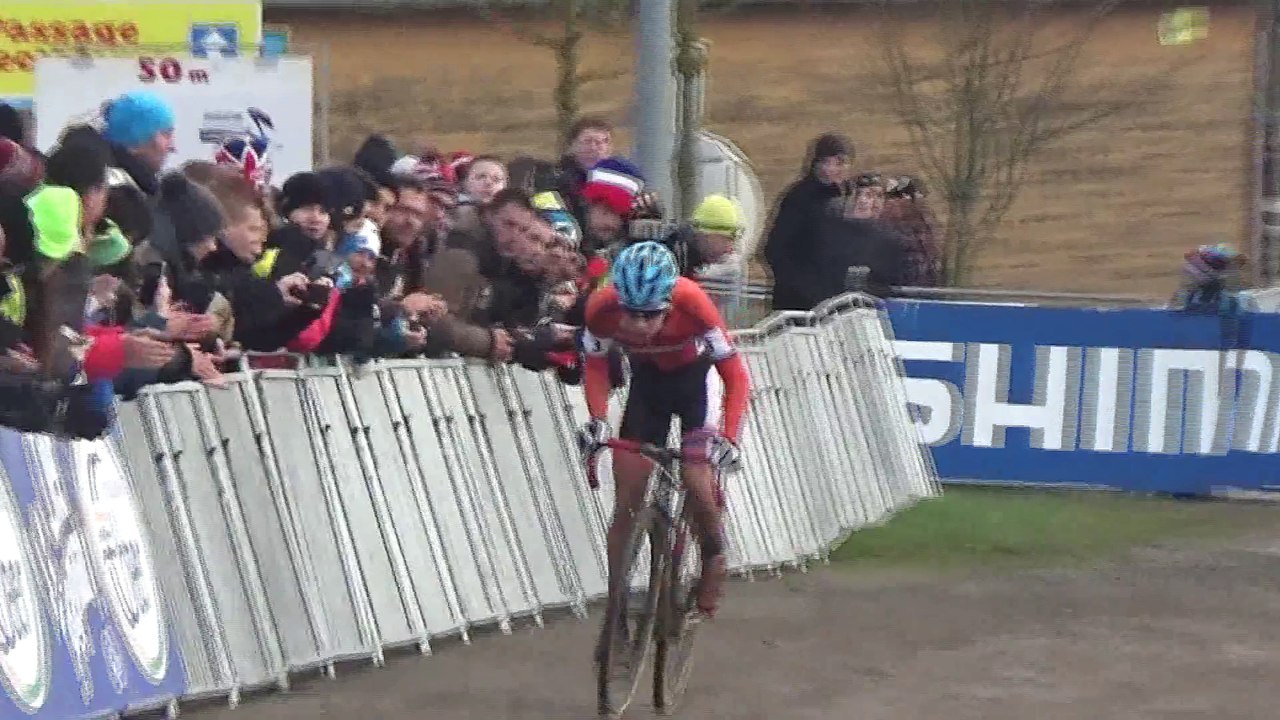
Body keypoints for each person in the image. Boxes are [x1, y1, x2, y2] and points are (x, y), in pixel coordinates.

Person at [576, 241, 750, 620]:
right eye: (632, 314)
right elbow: (595, 366)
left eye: (650, 315)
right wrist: (598, 418)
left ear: (668, 304)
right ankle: (617, 599)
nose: (639, 325)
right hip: (648, 386)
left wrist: (730, 437)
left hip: (697, 384)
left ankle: (713, 555)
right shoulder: (601, 308)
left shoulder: (693, 302)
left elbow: (735, 377)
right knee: (628, 495)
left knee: (695, 473)